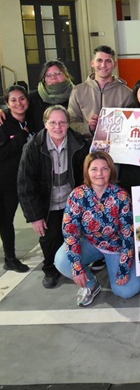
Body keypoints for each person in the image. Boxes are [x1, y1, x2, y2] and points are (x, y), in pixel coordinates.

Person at [55, 151, 140, 306]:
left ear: (111, 171)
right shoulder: (77, 195)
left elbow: (128, 234)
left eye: (105, 169)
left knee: (127, 291)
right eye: (94, 169)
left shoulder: (121, 196)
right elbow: (70, 232)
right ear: (87, 172)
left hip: (115, 247)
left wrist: (124, 266)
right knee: (62, 261)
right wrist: (77, 269)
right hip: (90, 243)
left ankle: (120, 266)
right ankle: (91, 285)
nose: (99, 174)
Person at [17, 105, 88, 287]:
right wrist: (35, 217)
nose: (58, 127)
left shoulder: (78, 143)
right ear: (45, 124)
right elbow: (26, 184)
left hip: (70, 201)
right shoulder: (34, 147)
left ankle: (76, 267)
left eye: (62, 122)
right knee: (49, 238)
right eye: (53, 123)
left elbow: (84, 176)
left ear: (68, 124)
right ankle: (50, 270)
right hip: (46, 202)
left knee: (74, 237)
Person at [0, 86, 34, 273]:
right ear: (7, 104)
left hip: (24, 180)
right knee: (6, 219)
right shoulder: (3, 123)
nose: (18, 103)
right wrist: (19, 138)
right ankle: (10, 258)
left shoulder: (31, 120)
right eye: (13, 100)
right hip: (5, 181)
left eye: (22, 99)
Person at [67, 45, 133, 140]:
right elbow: (71, 122)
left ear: (114, 65)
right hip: (86, 148)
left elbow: (132, 124)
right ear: (92, 63)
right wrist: (88, 128)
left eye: (108, 61)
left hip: (116, 147)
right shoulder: (78, 91)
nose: (103, 65)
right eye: (99, 60)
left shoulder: (127, 94)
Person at [25, 60, 75, 133]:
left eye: (58, 73)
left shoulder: (77, 94)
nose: (53, 77)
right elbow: (18, 112)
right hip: (40, 142)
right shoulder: (33, 97)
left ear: (66, 75)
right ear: (44, 79)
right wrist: (4, 112)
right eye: (48, 75)